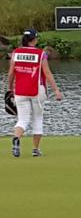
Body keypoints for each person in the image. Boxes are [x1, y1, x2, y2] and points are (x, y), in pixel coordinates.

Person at [7, 29, 62, 157]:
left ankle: (16, 138)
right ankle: (35, 150)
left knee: (22, 120)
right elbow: (47, 73)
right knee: (37, 118)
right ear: (33, 40)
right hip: (37, 91)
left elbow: (11, 73)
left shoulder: (16, 53)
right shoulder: (40, 54)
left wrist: (10, 89)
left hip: (20, 91)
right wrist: (56, 90)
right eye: (36, 38)